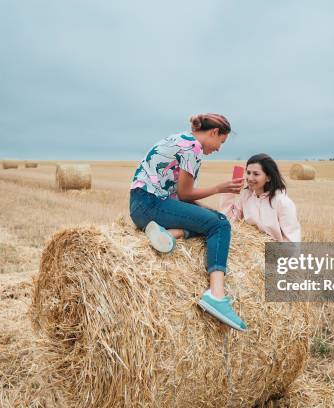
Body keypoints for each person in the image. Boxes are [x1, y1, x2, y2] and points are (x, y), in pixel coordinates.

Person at [129, 113, 247, 331]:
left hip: (141, 206)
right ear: (213, 132)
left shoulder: (178, 139)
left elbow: (179, 197)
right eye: (220, 142)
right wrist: (219, 189)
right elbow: (185, 193)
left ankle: (168, 234)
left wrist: (206, 211)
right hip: (153, 205)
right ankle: (216, 295)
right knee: (220, 225)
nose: (219, 148)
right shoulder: (193, 147)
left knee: (214, 219)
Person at [219, 153, 301, 242]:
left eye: (256, 174)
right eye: (248, 172)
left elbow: (292, 241)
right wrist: (230, 192)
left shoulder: (282, 202)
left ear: (268, 177)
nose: (250, 178)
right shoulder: (246, 196)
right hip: (251, 250)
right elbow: (230, 222)